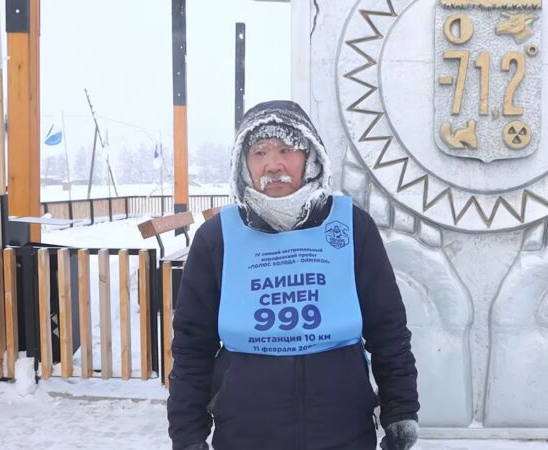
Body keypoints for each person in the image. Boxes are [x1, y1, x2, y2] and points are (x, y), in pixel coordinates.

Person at [167, 101, 419, 450]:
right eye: (259, 152)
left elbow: (388, 329)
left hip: (344, 434)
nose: (273, 164)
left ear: (310, 157)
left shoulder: (351, 228)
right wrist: (187, 433)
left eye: (287, 149)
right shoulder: (218, 239)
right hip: (245, 436)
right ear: (244, 163)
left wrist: (400, 409)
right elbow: (192, 346)